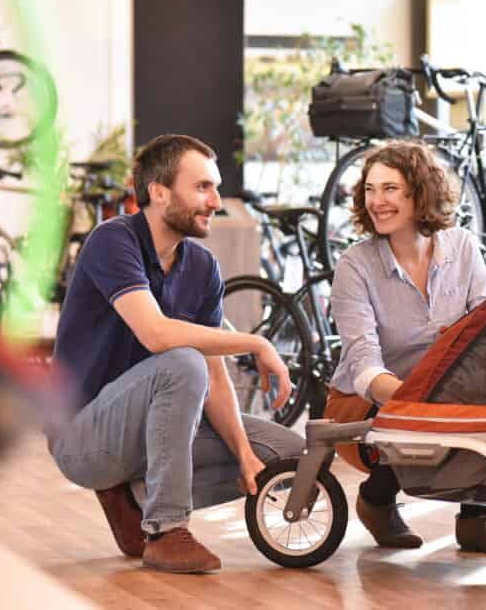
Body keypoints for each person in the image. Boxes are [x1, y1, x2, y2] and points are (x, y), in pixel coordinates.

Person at [47, 134, 304, 573]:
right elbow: (157, 334)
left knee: (289, 453)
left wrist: (245, 456)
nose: (216, 201)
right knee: (180, 361)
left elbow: (215, 375)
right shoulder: (113, 241)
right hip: (82, 436)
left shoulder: (202, 268)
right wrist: (257, 341)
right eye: (202, 187)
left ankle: (137, 498)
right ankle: (166, 530)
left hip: (151, 427)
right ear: (158, 192)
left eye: (216, 187)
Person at [326, 140, 486, 555]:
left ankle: (475, 520)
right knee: (415, 419)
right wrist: (422, 405)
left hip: (445, 389)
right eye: (369, 190)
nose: (377, 201)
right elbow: (363, 363)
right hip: (367, 398)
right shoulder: (355, 266)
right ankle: (377, 501)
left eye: (390, 189)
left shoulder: (463, 246)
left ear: (420, 192)